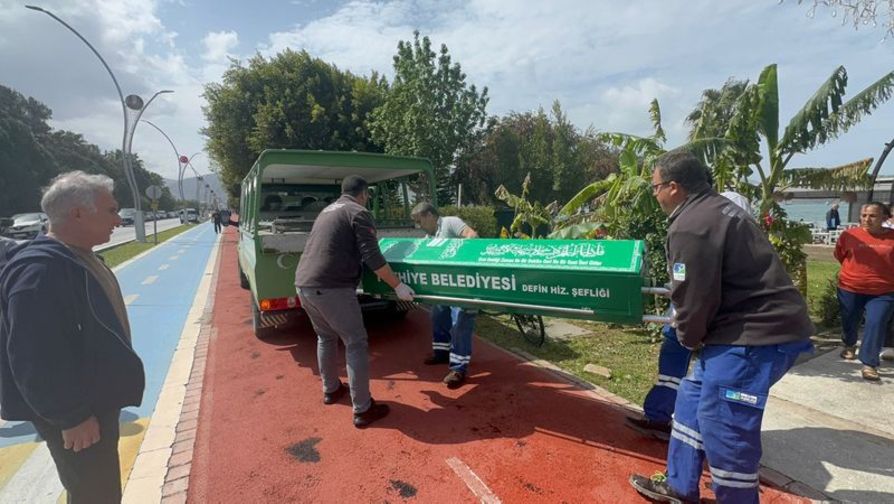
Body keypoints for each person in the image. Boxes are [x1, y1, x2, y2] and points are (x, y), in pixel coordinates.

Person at [629, 151, 814, 504]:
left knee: (726, 429)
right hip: (743, 333)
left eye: (655, 188)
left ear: (673, 187)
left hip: (752, 339)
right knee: (689, 401)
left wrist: (686, 337)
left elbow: (692, 296)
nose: (654, 195)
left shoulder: (691, 224)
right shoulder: (716, 209)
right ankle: (680, 487)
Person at [0, 171, 145, 503]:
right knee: (95, 494)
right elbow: (32, 355)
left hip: (91, 402)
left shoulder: (75, 257)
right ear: (78, 213)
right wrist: (71, 416)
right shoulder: (41, 271)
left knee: (99, 489)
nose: (118, 218)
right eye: (110, 210)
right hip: (79, 412)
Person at [626, 191, 754, 441]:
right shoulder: (700, 222)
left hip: (713, 319)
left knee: (707, 379)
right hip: (685, 313)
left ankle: (699, 430)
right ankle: (659, 417)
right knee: (671, 370)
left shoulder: (729, 225)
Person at [295, 175, 415, 428]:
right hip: (332, 287)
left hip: (304, 285)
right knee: (356, 342)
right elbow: (372, 256)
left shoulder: (327, 211)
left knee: (325, 337)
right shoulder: (358, 212)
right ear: (364, 193)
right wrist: (398, 285)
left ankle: (331, 389)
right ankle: (363, 409)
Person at [411, 202, 479, 388]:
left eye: (419, 221)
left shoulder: (451, 222)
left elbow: (472, 237)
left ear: (430, 216)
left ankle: (459, 369)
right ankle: (441, 353)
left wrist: (454, 256)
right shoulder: (429, 237)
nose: (419, 226)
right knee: (437, 315)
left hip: (463, 286)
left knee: (460, 323)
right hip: (444, 287)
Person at [834, 202, 894, 381]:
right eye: (864, 215)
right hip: (850, 287)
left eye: (873, 216)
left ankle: (869, 363)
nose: (867, 219)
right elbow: (840, 255)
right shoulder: (849, 235)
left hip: (883, 291)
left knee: (875, 323)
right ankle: (849, 344)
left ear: (885, 218)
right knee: (849, 319)